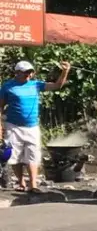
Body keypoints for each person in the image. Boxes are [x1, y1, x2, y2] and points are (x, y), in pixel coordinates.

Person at [0, 60, 70, 192]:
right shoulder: (8, 87)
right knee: (15, 155)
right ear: (17, 73)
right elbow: (0, 106)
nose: (28, 74)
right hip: (13, 125)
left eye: (30, 72)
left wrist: (65, 71)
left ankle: (33, 184)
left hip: (32, 126)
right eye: (25, 72)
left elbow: (57, 85)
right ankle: (21, 182)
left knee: (33, 154)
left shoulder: (36, 85)